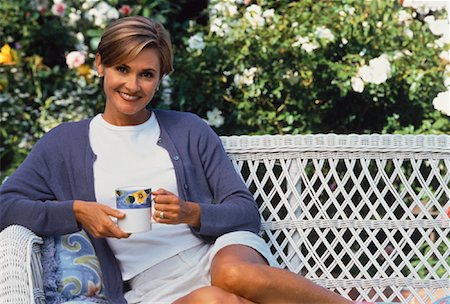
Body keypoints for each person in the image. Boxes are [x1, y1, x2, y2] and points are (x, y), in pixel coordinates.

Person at [0, 16, 358, 304]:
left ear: (159, 79)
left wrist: (192, 213)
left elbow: (245, 211)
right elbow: (6, 206)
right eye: (122, 69)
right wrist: (77, 211)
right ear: (100, 66)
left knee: (232, 278)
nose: (133, 85)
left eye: (147, 74)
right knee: (214, 301)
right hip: (151, 286)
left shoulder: (188, 129)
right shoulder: (65, 143)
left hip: (221, 254)